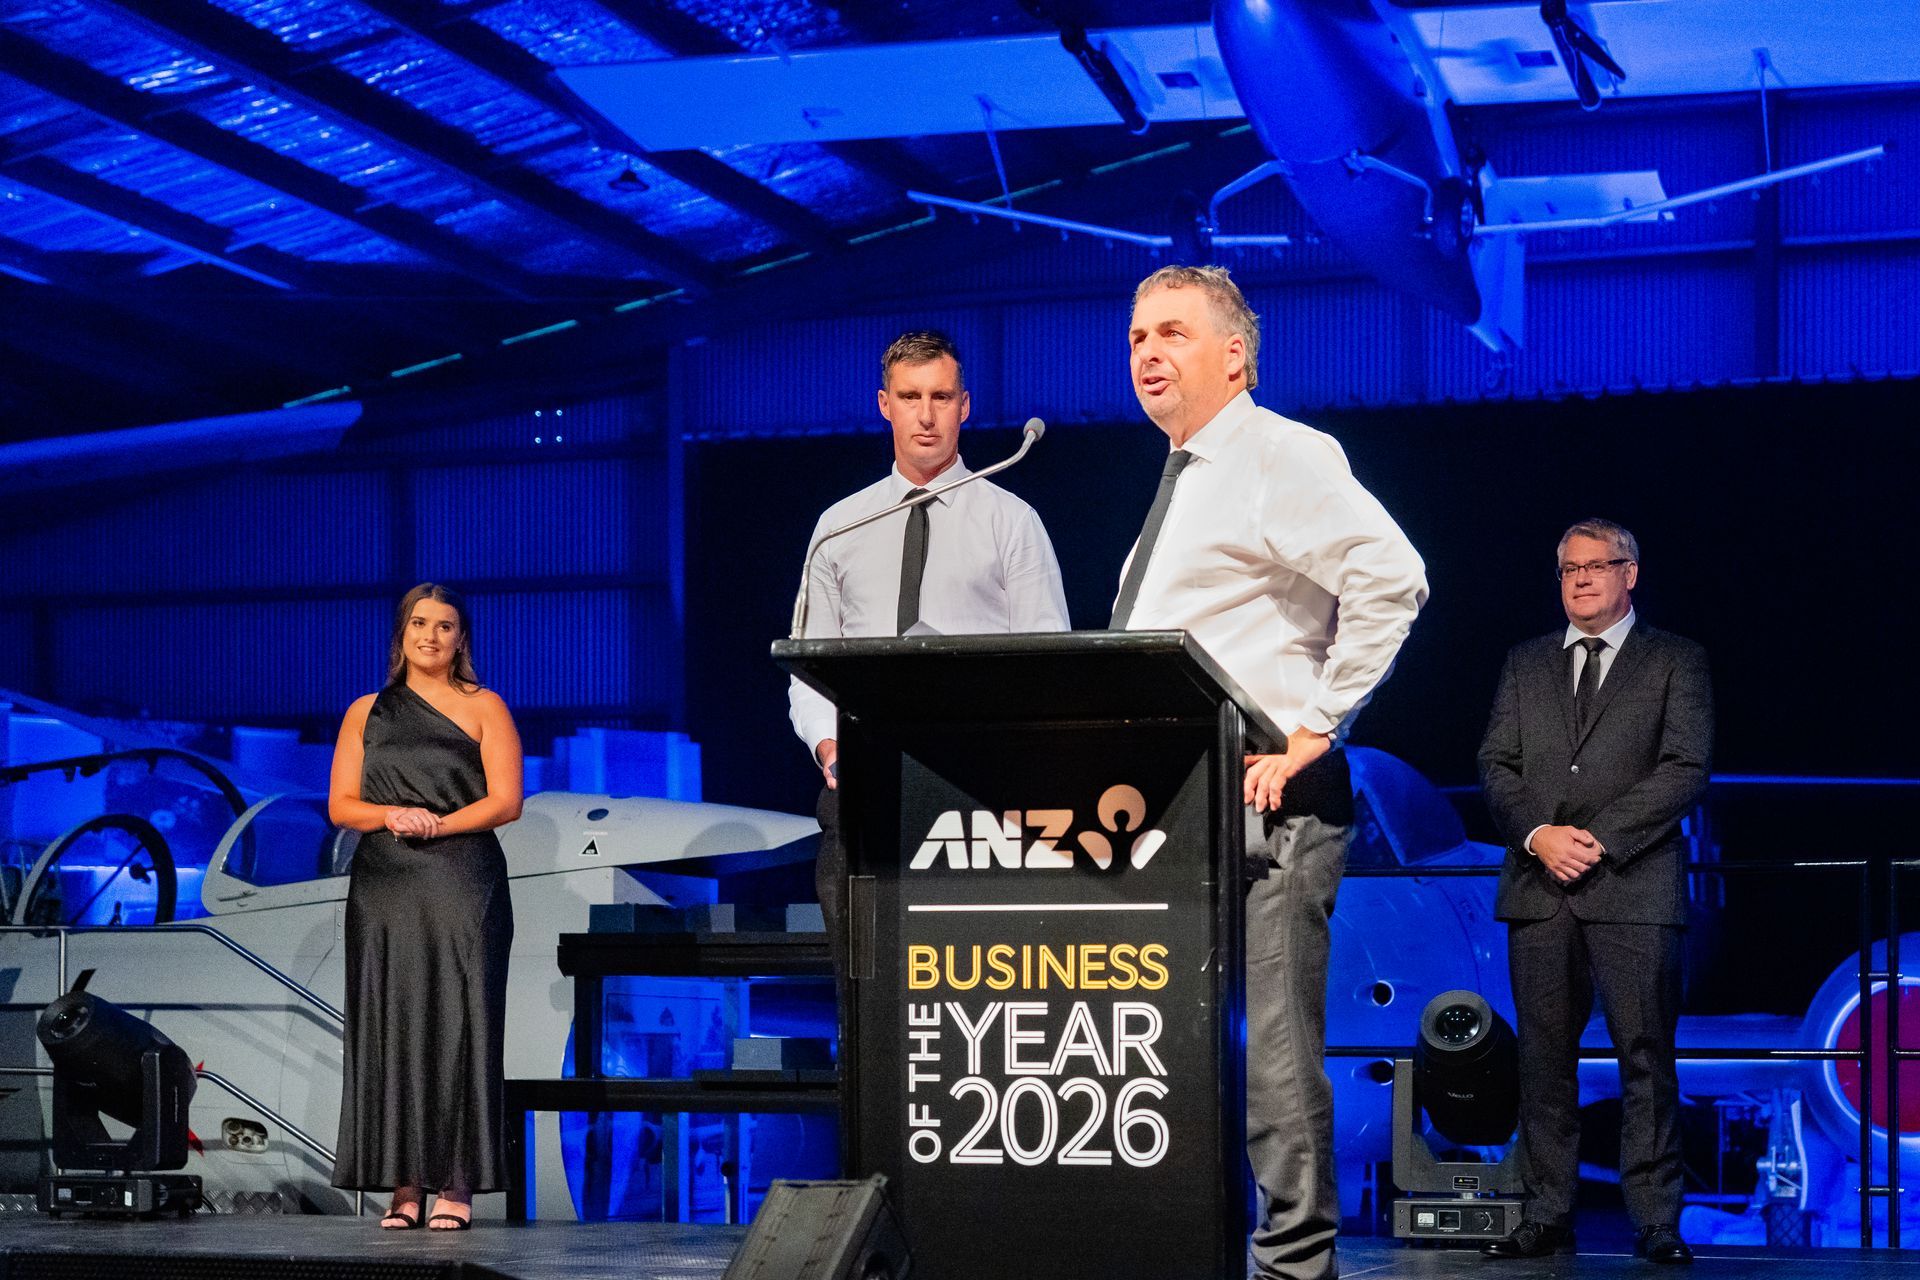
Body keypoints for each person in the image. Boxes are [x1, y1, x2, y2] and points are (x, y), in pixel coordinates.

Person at [1113, 265, 1427, 1280]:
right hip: (1177, 808)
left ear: (1235, 356)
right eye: (1137, 337)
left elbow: (1392, 576)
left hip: (1268, 801)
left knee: (1276, 1059)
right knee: (1178, 1052)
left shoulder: (1278, 454)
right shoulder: (1187, 477)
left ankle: (1296, 1264)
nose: (1147, 353)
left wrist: (1316, 725)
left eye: (1172, 333)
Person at [789, 329, 1070, 974]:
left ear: (964, 406)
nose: (925, 415)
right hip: (862, 784)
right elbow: (808, 665)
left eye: (941, 397)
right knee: (865, 984)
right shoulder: (839, 528)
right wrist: (829, 747)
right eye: (910, 397)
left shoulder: (1011, 522)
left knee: (974, 980)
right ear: (883, 404)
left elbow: (1047, 661)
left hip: (980, 794)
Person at [1477, 520, 1711, 1266]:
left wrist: (1599, 839)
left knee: (1645, 1055)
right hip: (1540, 887)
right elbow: (1496, 764)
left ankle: (1657, 1220)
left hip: (1633, 885)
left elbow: (1685, 768)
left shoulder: (1675, 659)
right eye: (1569, 569)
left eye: (1596, 566)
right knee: (1543, 1061)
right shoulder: (1525, 662)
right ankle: (1546, 1214)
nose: (1580, 579)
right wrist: (1538, 835)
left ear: (1629, 574)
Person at [328, 583, 523, 1230]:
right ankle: (404, 1186)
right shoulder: (366, 711)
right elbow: (341, 806)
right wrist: (392, 815)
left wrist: (437, 824)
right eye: (419, 623)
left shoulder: (485, 705)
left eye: (444, 625)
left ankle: (458, 1186)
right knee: (393, 1024)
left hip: (462, 879)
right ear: (402, 633)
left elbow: (506, 801)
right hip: (385, 884)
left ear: (461, 637)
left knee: (463, 1023)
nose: (430, 636)